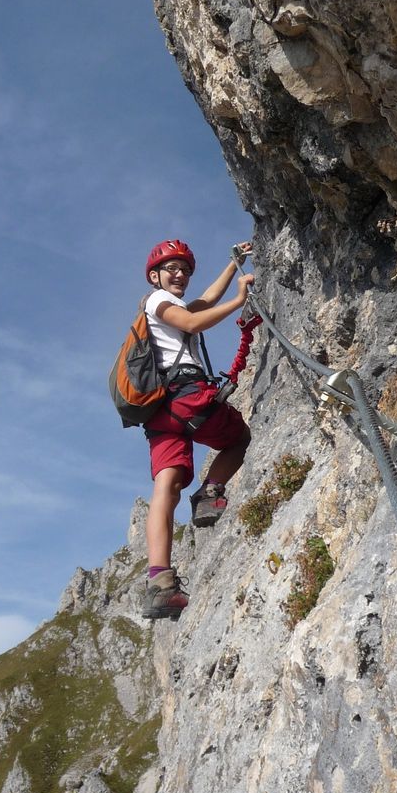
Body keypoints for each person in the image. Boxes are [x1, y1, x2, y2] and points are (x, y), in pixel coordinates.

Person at [140, 238, 254, 621]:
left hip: (160, 413)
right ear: (155, 276)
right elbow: (192, 321)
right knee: (239, 439)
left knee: (166, 486)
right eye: (171, 269)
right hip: (187, 396)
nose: (180, 274)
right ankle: (210, 492)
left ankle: (160, 582)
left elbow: (202, 302)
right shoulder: (156, 301)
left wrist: (232, 264)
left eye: (185, 270)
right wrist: (239, 301)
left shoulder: (162, 308)